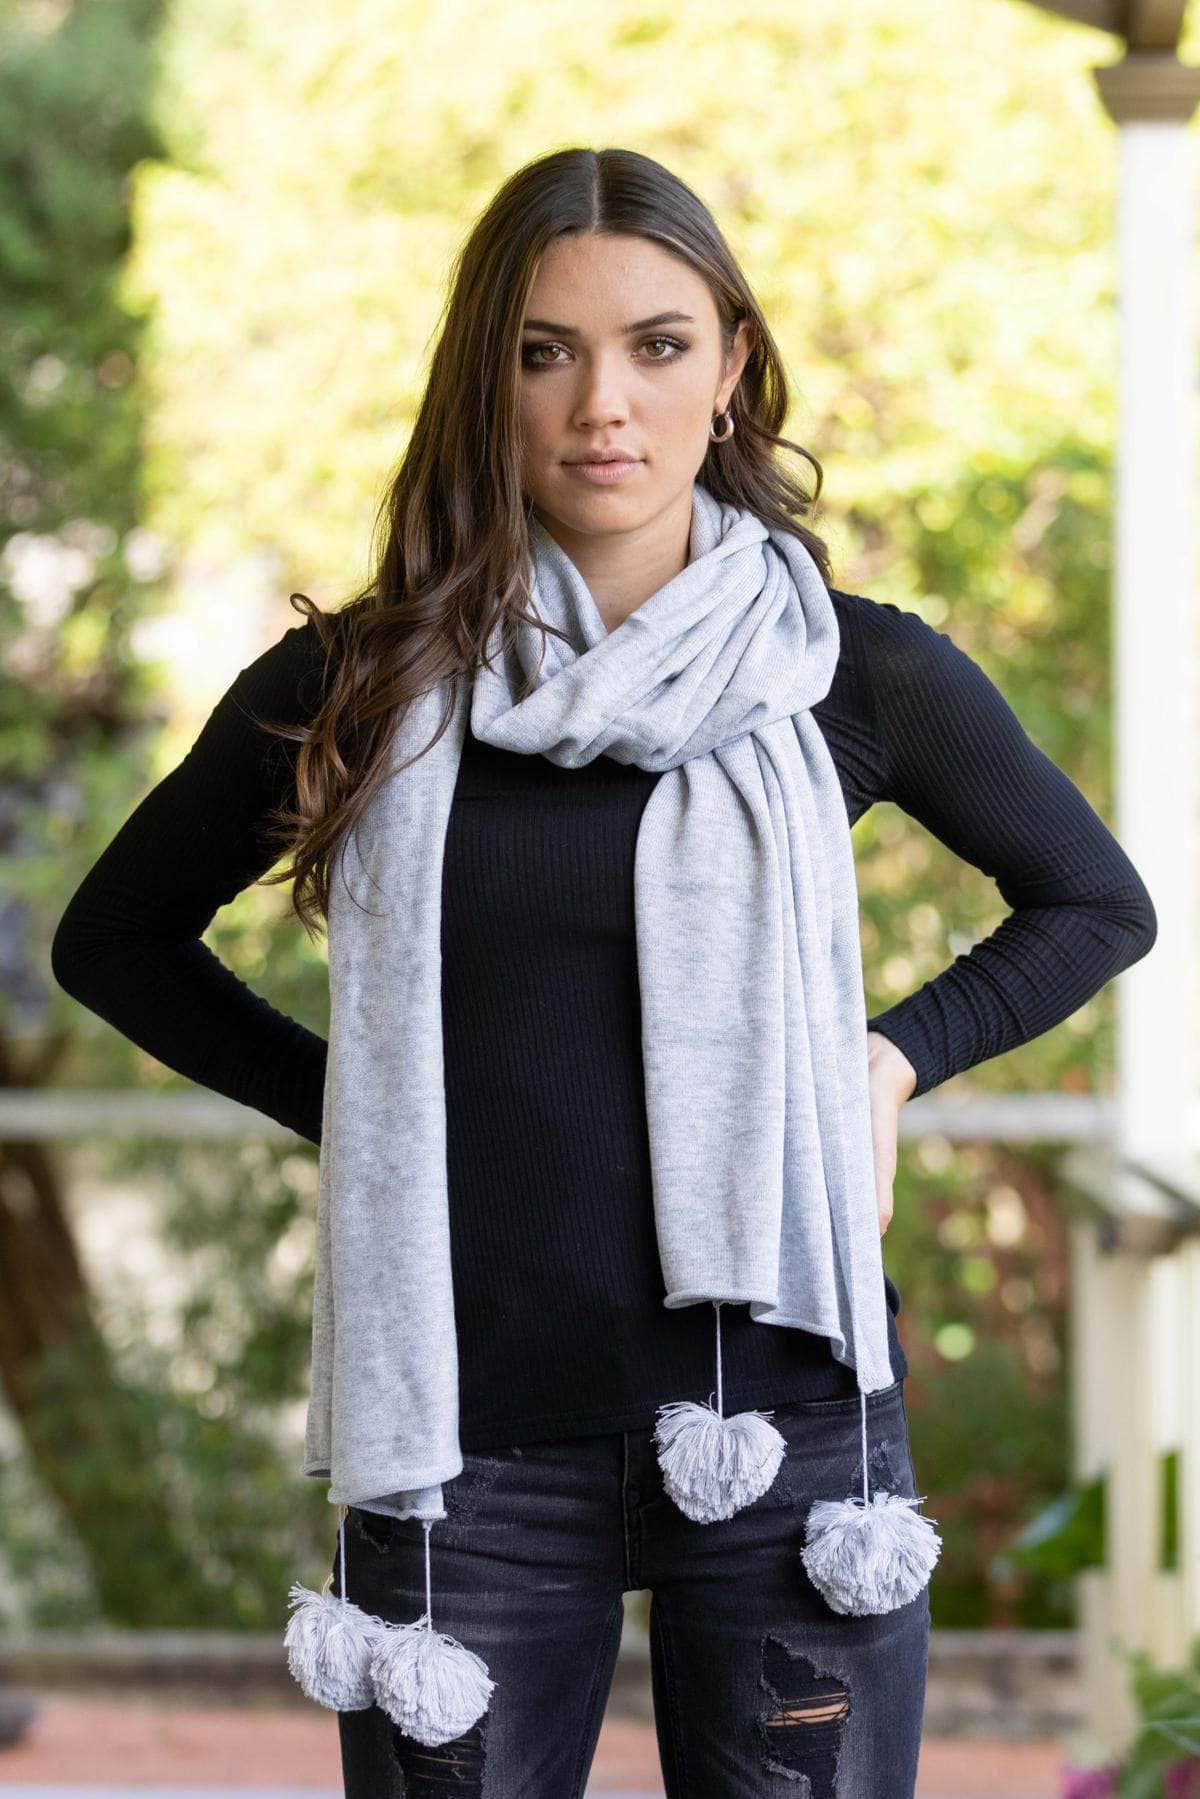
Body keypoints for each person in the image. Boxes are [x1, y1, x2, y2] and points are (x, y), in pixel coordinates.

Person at [50, 145, 1157, 1799]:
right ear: (482, 380)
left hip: (782, 1435)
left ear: (731, 368)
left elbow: (1093, 904)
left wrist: (892, 1056)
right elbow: (115, 940)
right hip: (463, 1446)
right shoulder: (362, 681)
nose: (602, 406)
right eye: (544, 351)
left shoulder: (846, 671)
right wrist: (352, 1101)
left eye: (657, 345)